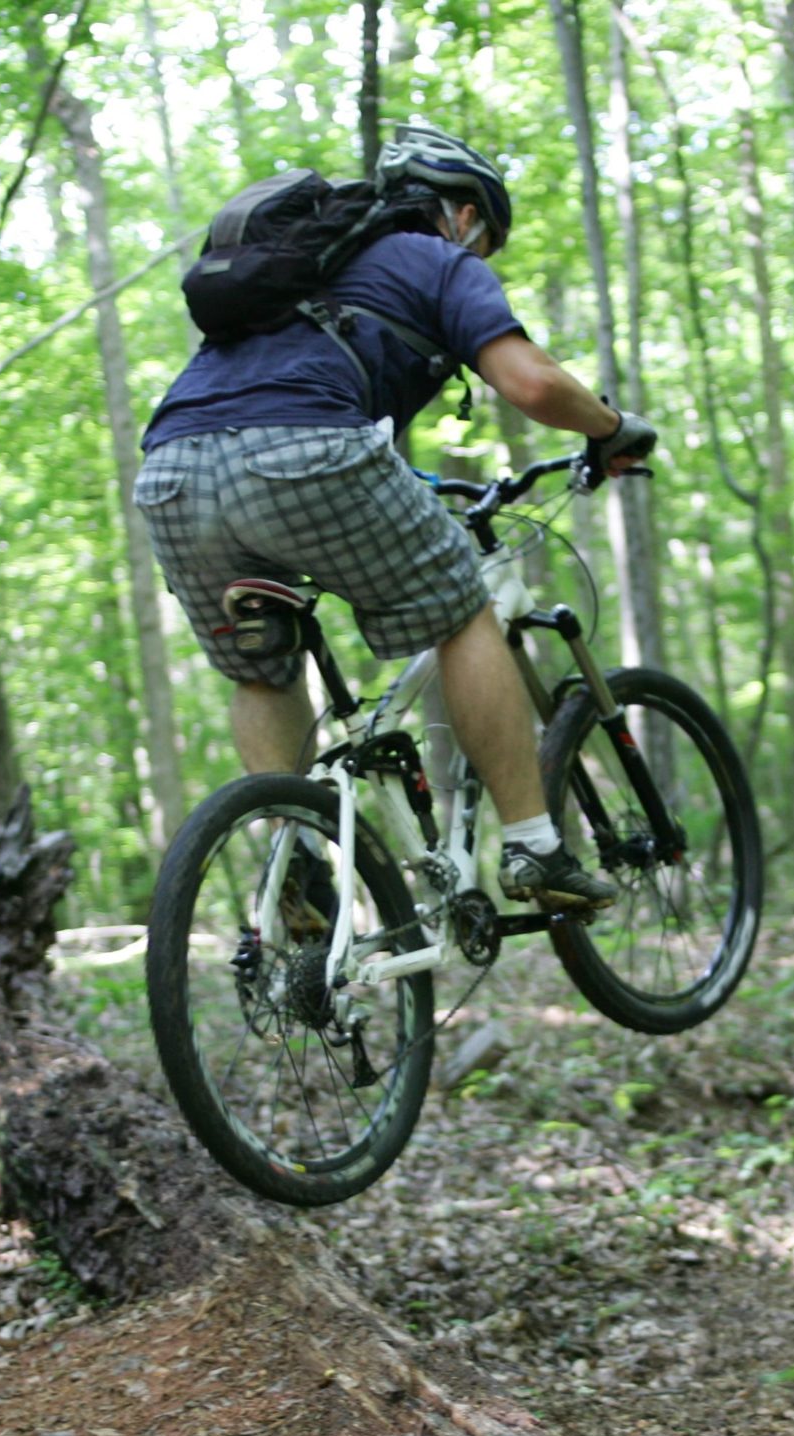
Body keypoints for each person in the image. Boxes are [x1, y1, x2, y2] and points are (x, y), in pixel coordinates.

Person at [134, 124, 654, 911]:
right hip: (310, 450)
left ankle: (296, 863)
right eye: (486, 240)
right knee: (463, 611)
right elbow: (534, 384)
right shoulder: (436, 260)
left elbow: (277, 395)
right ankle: (535, 849)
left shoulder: (294, 268)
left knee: (260, 661)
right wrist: (610, 430)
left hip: (171, 467)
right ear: (467, 215)